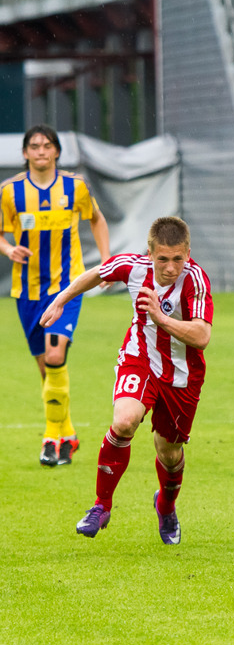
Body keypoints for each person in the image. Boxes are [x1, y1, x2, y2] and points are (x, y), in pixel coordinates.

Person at [40, 216, 213, 544]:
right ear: (150, 253)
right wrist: (60, 300)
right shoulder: (132, 267)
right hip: (140, 360)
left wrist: (160, 318)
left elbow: (202, 336)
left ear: (188, 253)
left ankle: (166, 506)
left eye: (178, 259)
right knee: (124, 422)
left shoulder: (196, 282)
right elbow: (95, 274)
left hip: (182, 375)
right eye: (163, 259)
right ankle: (101, 505)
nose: (171, 268)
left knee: (170, 453)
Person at [0, 124, 110, 466]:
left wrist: (106, 263)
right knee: (47, 370)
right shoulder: (9, 191)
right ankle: (69, 434)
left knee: (55, 354)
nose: (41, 151)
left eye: (47, 145)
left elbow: (97, 219)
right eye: (34, 146)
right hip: (27, 291)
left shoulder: (75, 186)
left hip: (67, 286)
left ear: (57, 151)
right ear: (25, 153)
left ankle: (51, 439)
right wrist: (8, 250)